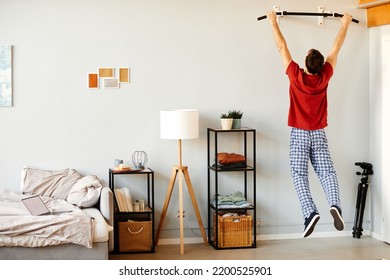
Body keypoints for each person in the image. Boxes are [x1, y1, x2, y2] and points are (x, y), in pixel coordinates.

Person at [266, 11, 353, 237]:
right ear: (320, 66)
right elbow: (337, 46)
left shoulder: (296, 76)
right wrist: (345, 24)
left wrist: (273, 22)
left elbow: (281, 47)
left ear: (304, 65)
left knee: (298, 174)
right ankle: (335, 204)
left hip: (299, 134)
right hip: (318, 134)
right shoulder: (325, 76)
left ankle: (310, 212)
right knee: (327, 173)